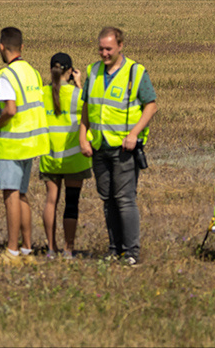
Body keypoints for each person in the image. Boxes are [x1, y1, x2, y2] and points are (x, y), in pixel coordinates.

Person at [78, 26, 157, 265]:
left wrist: (134, 134)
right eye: (101, 48)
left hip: (124, 149)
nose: (104, 53)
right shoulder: (92, 71)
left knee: (125, 199)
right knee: (108, 199)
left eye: (109, 49)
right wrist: (83, 136)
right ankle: (114, 249)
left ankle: (131, 252)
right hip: (99, 146)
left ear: (120, 46)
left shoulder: (135, 72)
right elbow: (86, 107)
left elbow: (151, 105)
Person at [0, 27, 47, 263]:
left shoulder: (6, 74)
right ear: (22, 47)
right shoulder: (32, 72)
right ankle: (27, 250)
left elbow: (10, 109)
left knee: (10, 195)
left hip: (12, 143)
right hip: (31, 143)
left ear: (1, 47)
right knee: (22, 195)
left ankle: (11, 251)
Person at [40, 52, 91, 259]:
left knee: (50, 201)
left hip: (50, 157)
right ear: (70, 72)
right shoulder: (77, 94)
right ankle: (68, 249)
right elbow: (89, 110)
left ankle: (51, 249)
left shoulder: (42, 93)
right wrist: (79, 84)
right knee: (71, 203)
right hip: (74, 158)